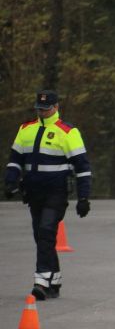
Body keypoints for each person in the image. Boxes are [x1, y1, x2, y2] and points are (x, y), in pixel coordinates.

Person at [4, 90, 92, 300]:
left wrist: (83, 198)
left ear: (56, 107)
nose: (42, 112)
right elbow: (15, 159)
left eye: (46, 109)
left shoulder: (68, 132)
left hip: (56, 193)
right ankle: (55, 280)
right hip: (33, 193)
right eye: (39, 109)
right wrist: (10, 181)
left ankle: (41, 281)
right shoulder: (26, 129)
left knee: (45, 231)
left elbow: (82, 167)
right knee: (42, 237)